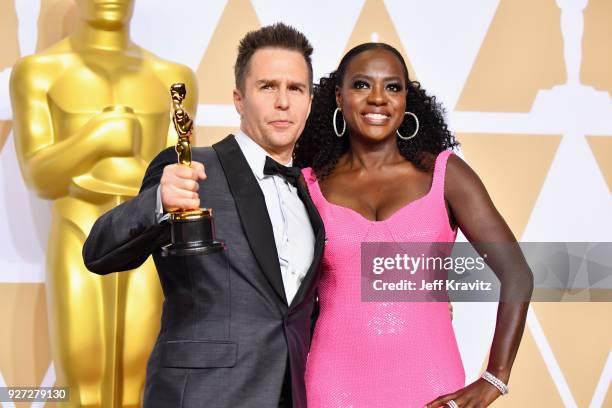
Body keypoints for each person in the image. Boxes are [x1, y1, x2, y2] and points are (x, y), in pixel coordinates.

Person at [83, 23, 325, 408]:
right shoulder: (192, 169)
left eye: (295, 89)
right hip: (203, 396)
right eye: (267, 87)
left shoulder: (312, 193)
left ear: (310, 101)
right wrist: (158, 202)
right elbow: (98, 252)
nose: (283, 102)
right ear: (239, 99)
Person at [293, 43, 533, 408]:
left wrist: (494, 378)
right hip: (333, 388)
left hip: (431, 386)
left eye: (392, 87)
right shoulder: (308, 186)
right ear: (338, 97)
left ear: (406, 100)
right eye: (361, 85)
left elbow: (517, 273)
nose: (378, 99)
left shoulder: (446, 175)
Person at [10, 0, 194, 405]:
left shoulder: (173, 78)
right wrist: (97, 137)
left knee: (139, 376)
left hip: (147, 239)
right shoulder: (39, 72)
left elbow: (174, 178)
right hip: (78, 227)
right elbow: (39, 174)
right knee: (82, 378)